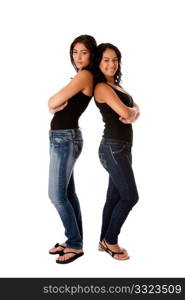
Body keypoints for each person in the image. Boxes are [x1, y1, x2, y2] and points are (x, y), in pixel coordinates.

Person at [48, 35, 97, 264]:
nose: (78, 56)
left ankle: (75, 244)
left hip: (65, 138)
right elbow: (55, 104)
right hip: (64, 138)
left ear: (91, 54)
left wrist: (54, 104)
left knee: (56, 195)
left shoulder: (85, 75)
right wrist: (55, 104)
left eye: (83, 52)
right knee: (67, 194)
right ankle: (74, 240)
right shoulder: (81, 75)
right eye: (75, 52)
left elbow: (52, 102)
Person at [94, 43, 140, 260]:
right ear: (99, 63)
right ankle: (111, 241)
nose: (111, 64)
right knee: (130, 196)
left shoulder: (117, 86)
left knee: (114, 198)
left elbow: (135, 110)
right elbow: (127, 112)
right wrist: (132, 112)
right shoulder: (102, 87)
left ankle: (103, 240)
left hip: (122, 148)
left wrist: (134, 111)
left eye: (114, 59)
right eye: (106, 60)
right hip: (112, 148)